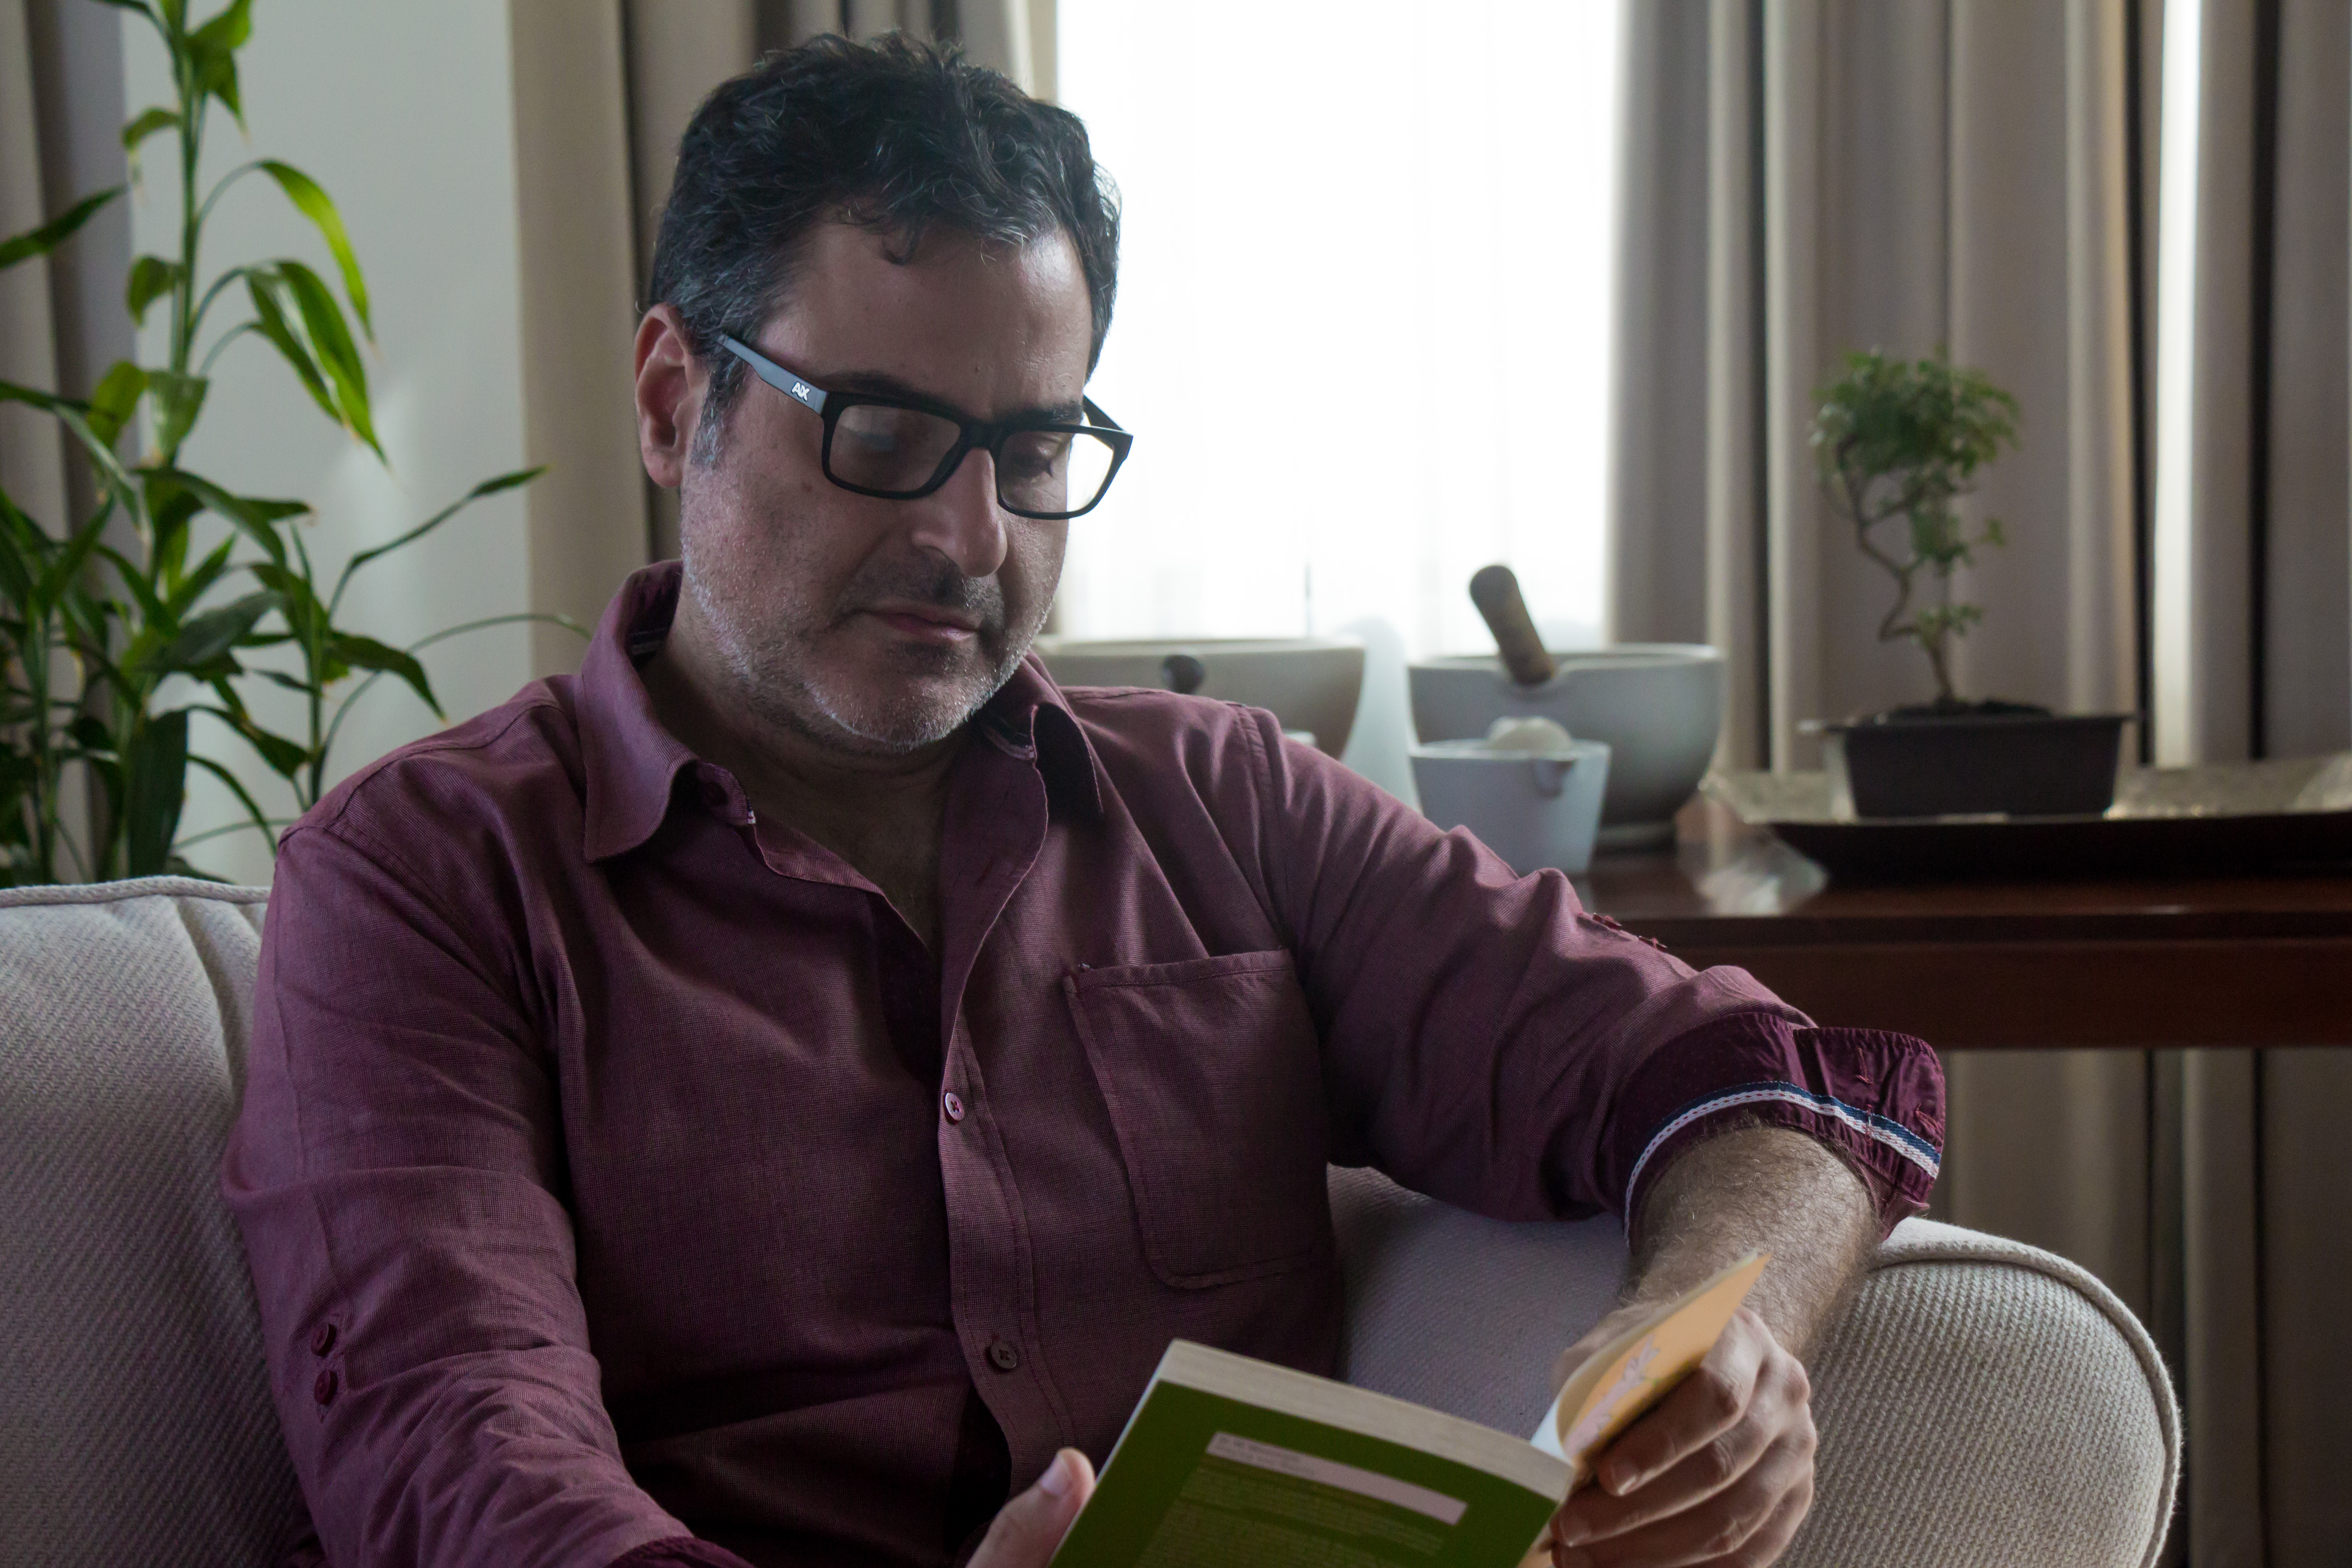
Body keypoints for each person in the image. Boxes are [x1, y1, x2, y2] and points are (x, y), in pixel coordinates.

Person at [225, 34, 1943, 1568]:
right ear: (680, 404)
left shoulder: (1226, 802)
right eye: (883, 431)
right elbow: (457, 1461)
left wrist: (1727, 1332)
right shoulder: (424, 882)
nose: (972, 536)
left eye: (1035, 452)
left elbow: (1760, 1081)